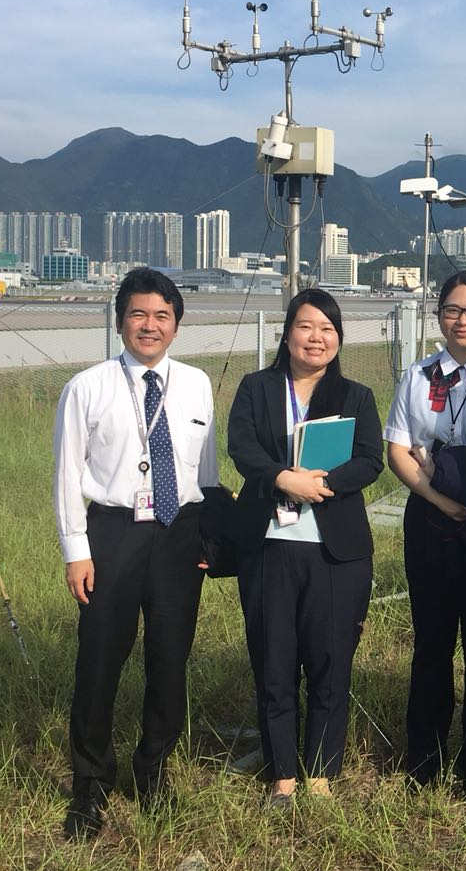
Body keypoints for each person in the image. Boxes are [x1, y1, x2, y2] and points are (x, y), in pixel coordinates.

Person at [53, 267, 219, 841]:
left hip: (179, 534)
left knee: (169, 659)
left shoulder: (197, 384)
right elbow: (67, 475)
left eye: (162, 316)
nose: (150, 326)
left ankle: (153, 769)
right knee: (99, 659)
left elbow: (208, 471)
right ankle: (90, 782)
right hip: (113, 534)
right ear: (120, 320)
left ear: (177, 325)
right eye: (138, 315)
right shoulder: (88, 386)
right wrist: (77, 551)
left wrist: (209, 541)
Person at [227, 288, 383, 804]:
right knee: (274, 661)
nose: (316, 338)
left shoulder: (356, 396)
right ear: (287, 332)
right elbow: (242, 447)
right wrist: (281, 479)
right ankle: (283, 775)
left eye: (328, 329)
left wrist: (323, 486)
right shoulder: (257, 387)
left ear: (338, 340)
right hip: (268, 545)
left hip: (335, 550)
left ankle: (319, 772)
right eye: (306, 326)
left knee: (329, 660)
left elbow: (369, 460)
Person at [384, 271, 466, 792]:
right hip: (431, 522)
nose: (464, 321)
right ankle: (424, 753)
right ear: (438, 315)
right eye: (454, 310)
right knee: (431, 642)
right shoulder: (417, 375)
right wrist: (436, 498)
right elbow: (398, 449)